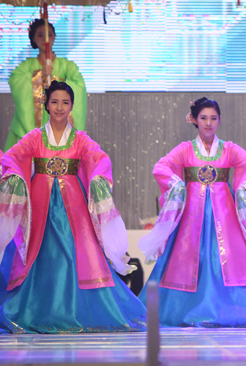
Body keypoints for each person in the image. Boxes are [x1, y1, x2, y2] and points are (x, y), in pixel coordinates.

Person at [0, 81, 145, 333]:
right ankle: (36, 310)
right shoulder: (34, 138)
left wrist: (98, 177)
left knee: (79, 253)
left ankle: (81, 310)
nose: (59, 107)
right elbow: (12, 157)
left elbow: (100, 158)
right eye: (54, 102)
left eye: (65, 102)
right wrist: (14, 174)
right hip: (40, 208)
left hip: (74, 209)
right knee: (40, 255)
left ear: (72, 106)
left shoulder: (80, 140)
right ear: (46, 105)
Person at [138, 97, 246, 327]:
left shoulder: (229, 149)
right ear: (194, 120)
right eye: (203, 118)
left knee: (228, 257)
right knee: (190, 257)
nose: (208, 123)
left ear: (220, 120)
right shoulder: (185, 149)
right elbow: (161, 167)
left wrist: (244, 189)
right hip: (191, 215)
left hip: (225, 213)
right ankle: (184, 308)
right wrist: (176, 185)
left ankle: (229, 307)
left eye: (213, 118)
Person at [4, 19, 87, 151]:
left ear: (54, 37)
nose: (45, 39)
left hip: (57, 113)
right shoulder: (27, 65)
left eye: (49, 35)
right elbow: (16, 80)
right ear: (34, 38)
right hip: (34, 117)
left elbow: (79, 84)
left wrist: (56, 83)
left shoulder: (66, 65)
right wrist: (39, 75)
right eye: (40, 35)